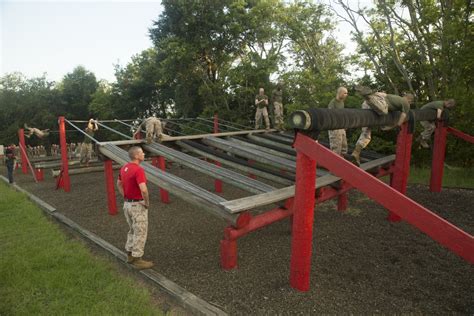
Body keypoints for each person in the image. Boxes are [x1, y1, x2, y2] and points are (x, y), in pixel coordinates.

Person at [351, 86, 414, 166]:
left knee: (367, 134)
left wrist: (386, 127)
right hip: (377, 101)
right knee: (384, 111)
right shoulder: (405, 103)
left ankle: (356, 153)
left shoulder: (395, 98)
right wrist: (398, 125)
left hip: (368, 105)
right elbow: (403, 115)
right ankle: (368, 96)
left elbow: (383, 96)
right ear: (409, 100)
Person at [117, 146, 154, 270]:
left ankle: (130, 254)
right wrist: (146, 202)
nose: (144, 154)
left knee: (132, 229)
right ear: (137, 156)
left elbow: (119, 184)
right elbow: (143, 189)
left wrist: (126, 196)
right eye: (142, 153)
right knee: (140, 231)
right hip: (137, 205)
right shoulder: (138, 170)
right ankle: (138, 259)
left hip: (127, 204)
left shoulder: (124, 168)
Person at [328, 87, 349, 156]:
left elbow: (342, 115)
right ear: (340, 93)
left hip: (341, 127)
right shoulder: (332, 103)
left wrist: (344, 125)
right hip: (334, 127)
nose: (346, 95)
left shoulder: (342, 103)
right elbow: (330, 116)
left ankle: (342, 163)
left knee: (344, 147)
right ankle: (333, 165)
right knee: (336, 148)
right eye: (345, 93)